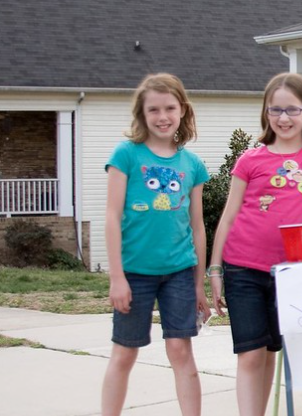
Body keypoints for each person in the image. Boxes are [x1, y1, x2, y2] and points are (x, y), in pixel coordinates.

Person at [208, 72, 302, 416]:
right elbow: (229, 215)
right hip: (242, 267)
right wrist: (215, 268)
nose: (284, 118)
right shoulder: (250, 160)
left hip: (289, 273)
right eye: (275, 110)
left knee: (269, 352)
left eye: (292, 110)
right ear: (266, 114)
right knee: (250, 353)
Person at [101, 73, 211, 416]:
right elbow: (111, 216)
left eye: (169, 108)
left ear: (182, 111)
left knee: (181, 351)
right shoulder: (126, 155)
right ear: (142, 114)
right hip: (134, 273)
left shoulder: (191, 165)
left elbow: (197, 227)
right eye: (154, 110)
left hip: (179, 272)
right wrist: (116, 277)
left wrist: (199, 285)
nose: (162, 117)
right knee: (124, 352)